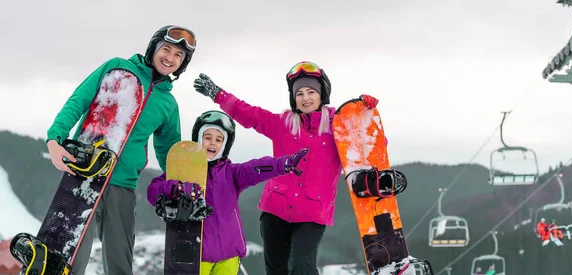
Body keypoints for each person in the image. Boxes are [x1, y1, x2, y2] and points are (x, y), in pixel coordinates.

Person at [193, 61, 381, 275]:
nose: (305, 98)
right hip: (275, 211)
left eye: (311, 92)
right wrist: (218, 94)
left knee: (302, 267)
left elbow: (367, 144)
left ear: (322, 94)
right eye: (299, 93)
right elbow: (248, 114)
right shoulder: (284, 124)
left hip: (312, 214)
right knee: (277, 271)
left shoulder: (338, 126)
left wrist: (364, 113)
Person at [45, 25, 197, 274]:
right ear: (154, 48)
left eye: (178, 56)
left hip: (123, 185)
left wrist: (181, 186)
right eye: (166, 49)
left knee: (120, 263)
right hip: (84, 173)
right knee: (70, 259)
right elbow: (78, 100)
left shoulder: (168, 104)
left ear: (182, 64)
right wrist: (55, 139)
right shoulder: (117, 68)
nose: (170, 58)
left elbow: (168, 151)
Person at [147, 110, 310, 275]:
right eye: (207, 137)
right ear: (198, 139)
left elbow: (256, 168)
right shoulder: (183, 172)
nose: (212, 143)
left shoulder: (232, 174)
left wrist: (283, 164)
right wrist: (177, 188)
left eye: (219, 140)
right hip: (196, 255)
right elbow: (152, 191)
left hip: (229, 254)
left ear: (225, 145)